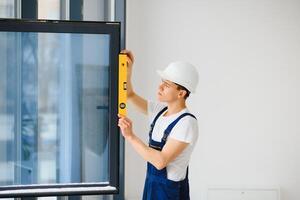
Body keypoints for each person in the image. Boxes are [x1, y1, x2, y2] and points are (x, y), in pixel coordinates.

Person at [118, 50, 199, 200]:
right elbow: (129, 94)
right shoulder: (159, 111)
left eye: (166, 85)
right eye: (162, 82)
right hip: (151, 186)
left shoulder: (186, 123)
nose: (160, 87)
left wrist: (130, 136)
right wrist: (128, 71)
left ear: (181, 93)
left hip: (169, 193)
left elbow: (160, 161)